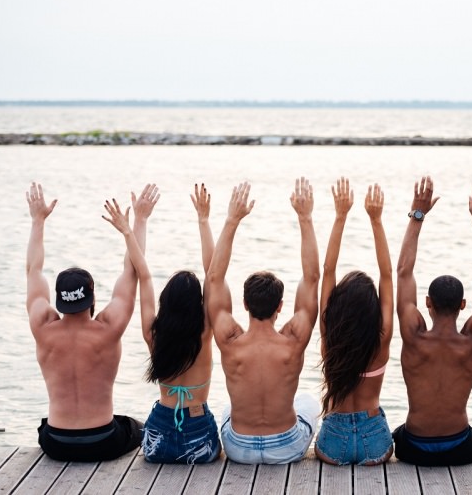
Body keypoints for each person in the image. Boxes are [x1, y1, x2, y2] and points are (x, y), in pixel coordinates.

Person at [26, 181, 159, 462]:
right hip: (104, 441)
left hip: (56, 442)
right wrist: (140, 220)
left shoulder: (42, 325)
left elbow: (33, 270)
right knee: (137, 426)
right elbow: (133, 270)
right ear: (92, 296)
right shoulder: (109, 327)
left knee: (46, 425)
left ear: (59, 301)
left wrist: (38, 221)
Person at [104, 184, 221, 464]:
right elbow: (213, 273)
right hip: (198, 438)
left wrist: (131, 229)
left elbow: (143, 274)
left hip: (159, 439)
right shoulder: (205, 332)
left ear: (166, 302)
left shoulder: (152, 333)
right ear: (197, 304)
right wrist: (203, 220)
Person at [206, 178, 321, 464]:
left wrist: (232, 220)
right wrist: (305, 218)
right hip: (286, 447)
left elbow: (213, 278)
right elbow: (312, 278)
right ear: (280, 307)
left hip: (238, 448)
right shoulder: (294, 340)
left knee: (226, 410)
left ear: (244, 304)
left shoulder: (229, 340)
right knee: (307, 402)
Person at [393, 177, 472, 466]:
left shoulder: (413, 335)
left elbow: (403, 273)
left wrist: (417, 215)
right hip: (458, 447)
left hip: (414, 446)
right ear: (463, 306)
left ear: (427, 303)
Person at [314, 178, 394, 466]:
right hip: (375, 444)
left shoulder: (329, 333)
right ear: (372, 310)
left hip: (334, 444)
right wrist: (376, 221)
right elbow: (387, 274)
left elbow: (328, 270)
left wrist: (340, 216)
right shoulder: (382, 336)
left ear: (338, 308)